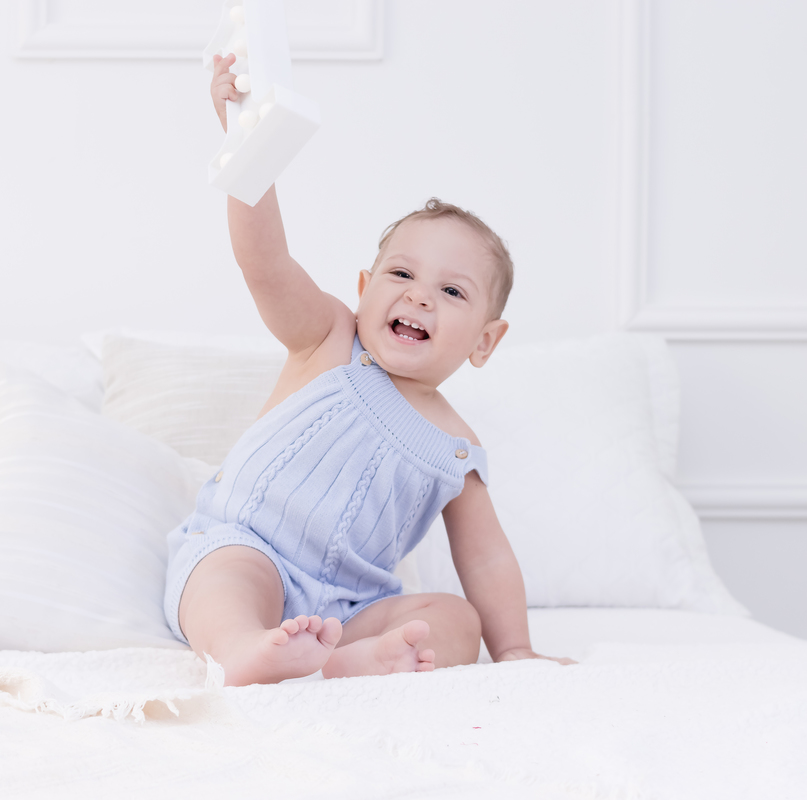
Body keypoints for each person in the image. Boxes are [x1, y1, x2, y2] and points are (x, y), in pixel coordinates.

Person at [162, 53, 573, 686]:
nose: (418, 297)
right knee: (226, 578)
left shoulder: (457, 452)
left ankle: (346, 661)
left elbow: (487, 558)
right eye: (402, 274)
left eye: (453, 292)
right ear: (364, 287)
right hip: (246, 549)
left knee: (455, 619)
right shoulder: (328, 336)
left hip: (353, 609)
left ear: (485, 342)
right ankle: (243, 649)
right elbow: (264, 261)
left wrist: (514, 648)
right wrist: (249, 146)